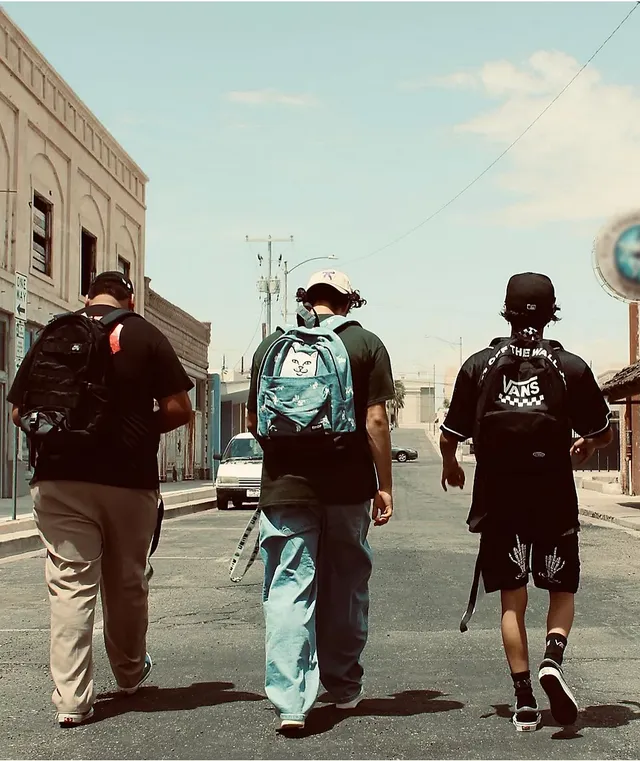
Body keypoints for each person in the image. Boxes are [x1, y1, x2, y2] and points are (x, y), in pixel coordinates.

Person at [8, 271, 194, 727]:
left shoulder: (57, 332)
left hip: (59, 479)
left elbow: (18, 410)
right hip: (128, 480)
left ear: (86, 296)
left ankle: (72, 701)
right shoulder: (146, 334)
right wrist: (134, 429)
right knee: (127, 580)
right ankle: (129, 675)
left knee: (71, 584)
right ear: (130, 299)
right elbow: (180, 409)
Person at [439, 273, 612, 732]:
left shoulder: (479, 364)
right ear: (552, 311)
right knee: (561, 590)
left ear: (507, 311)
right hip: (552, 493)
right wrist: (585, 448)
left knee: (512, 602)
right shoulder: (568, 366)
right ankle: (552, 658)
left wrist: (450, 466)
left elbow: (450, 433)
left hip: (498, 495)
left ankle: (523, 701)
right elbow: (601, 430)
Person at [247, 269, 395, 732]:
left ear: (305, 299)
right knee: (346, 586)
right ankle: (343, 685)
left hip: (285, 487)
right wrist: (383, 483)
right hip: (348, 489)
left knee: (288, 589)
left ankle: (290, 702)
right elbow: (375, 421)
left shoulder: (271, 346)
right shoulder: (366, 344)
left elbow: (255, 421)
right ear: (349, 302)